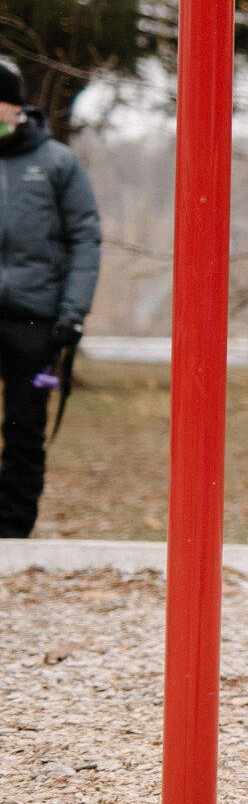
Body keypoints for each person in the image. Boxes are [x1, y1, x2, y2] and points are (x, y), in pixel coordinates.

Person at [0, 62, 99, 539]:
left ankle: (12, 535)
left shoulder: (57, 163)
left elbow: (85, 239)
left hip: (34, 321)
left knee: (23, 433)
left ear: (17, 108)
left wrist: (73, 311)